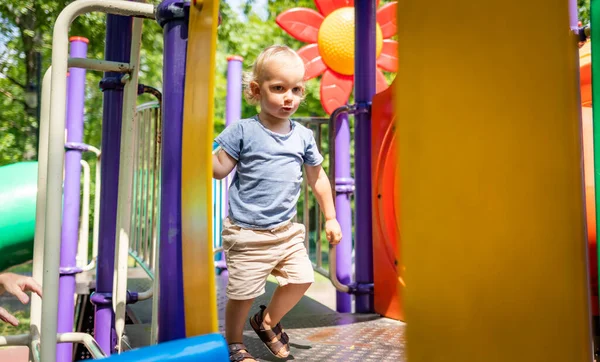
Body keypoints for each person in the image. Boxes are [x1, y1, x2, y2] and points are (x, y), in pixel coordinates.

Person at [213, 45, 342, 362]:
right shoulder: (243, 131)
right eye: (279, 88)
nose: (290, 98)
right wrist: (192, 150)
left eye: (296, 90)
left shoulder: (302, 136)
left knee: (302, 278)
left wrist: (331, 217)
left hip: (286, 232)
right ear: (256, 90)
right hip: (247, 233)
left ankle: (266, 321)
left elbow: (318, 178)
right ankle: (234, 344)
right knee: (242, 294)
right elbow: (219, 171)